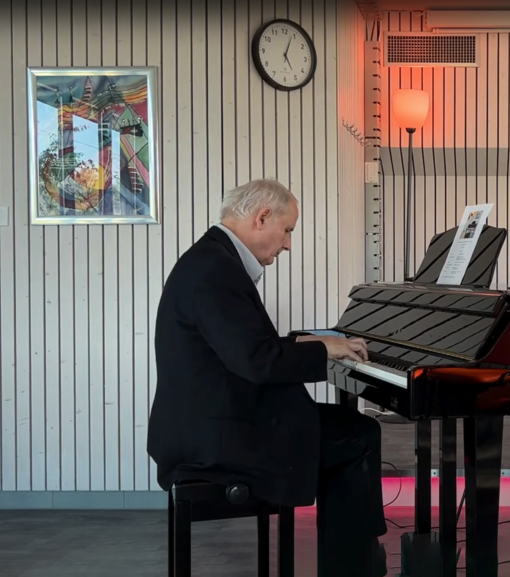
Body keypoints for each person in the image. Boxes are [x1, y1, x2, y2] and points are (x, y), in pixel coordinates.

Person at [146, 179, 388, 577]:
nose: (288, 244)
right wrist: (324, 350)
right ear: (262, 217)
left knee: (346, 429)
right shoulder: (216, 270)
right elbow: (257, 362)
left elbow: (241, 347)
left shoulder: (209, 259)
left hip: (206, 423)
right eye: (287, 230)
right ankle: (356, 563)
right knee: (358, 435)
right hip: (216, 439)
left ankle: (358, 556)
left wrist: (305, 342)